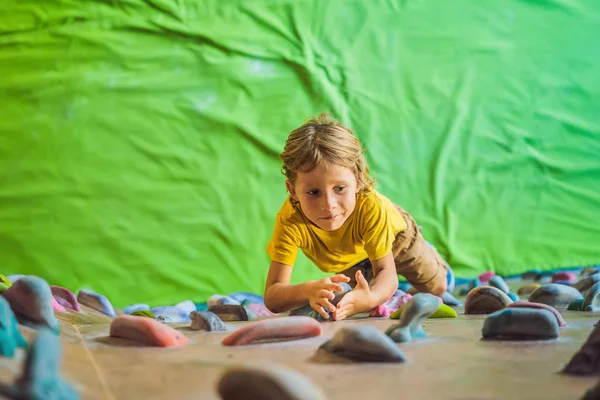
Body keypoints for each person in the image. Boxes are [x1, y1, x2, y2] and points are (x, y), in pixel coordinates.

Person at [263, 112, 450, 321]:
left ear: (358, 181)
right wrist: (308, 290)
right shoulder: (290, 220)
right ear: (292, 190)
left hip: (397, 239)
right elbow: (272, 297)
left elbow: (385, 271)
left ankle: (431, 257)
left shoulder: (371, 207)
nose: (328, 205)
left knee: (437, 288)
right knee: (341, 296)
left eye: (340, 188)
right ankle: (385, 287)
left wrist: (371, 298)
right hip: (352, 258)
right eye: (313, 192)